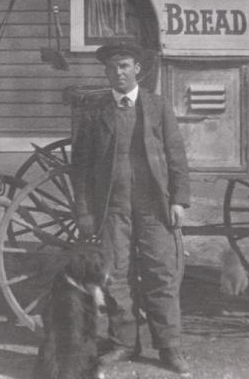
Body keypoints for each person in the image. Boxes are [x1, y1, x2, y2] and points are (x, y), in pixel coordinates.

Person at [71, 41, 191, 376]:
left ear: (137, 68)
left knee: (161, 274)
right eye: (111, 67)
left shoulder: (157, 106)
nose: (118, 73)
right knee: (115, 275)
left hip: (154, 206)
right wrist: (84, 212)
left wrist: (179, 199)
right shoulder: (95, 112)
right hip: (112, 207)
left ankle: (169, 348)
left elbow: (177, 155)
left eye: (124, 66)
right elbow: (79, 168)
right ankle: (124, 342)